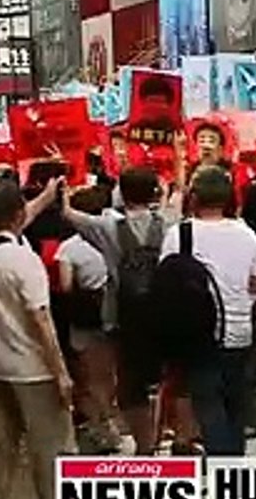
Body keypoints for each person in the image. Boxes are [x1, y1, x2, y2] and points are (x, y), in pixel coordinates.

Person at [0, 179, 76, 499]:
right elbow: (41, 321)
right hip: (31, 367)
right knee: (49, 442)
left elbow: (12, 219)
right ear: (17, 214)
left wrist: (44, 197)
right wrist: (60, 372)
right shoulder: (23, 260)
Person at [63, 165, 178, 454]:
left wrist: (62, 193)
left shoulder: (107, 227)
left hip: (121, 315)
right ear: (154, 192)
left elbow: (69, 215)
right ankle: (165, 429)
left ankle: (144, 442)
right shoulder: (169, 221)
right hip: (163, 312)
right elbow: (178, 195)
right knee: (165, 377)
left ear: (120, 193)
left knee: (130, 382)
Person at [160, 167, 256, 455]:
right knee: (236, 407)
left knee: (208, 406)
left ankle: (221, 470)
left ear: (193, 197)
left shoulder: (179, 234)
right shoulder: (246, 235)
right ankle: (234, 469)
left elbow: (167, 282)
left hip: (198, 335)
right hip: (240, 333)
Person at [56, 186, 120, 454]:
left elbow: (66, 285)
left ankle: (101, 423)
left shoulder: (68, 248)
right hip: (115, 312)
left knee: (88, 374)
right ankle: (113, 419)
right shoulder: (117, 237)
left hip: (84, 318)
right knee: (111, 373)